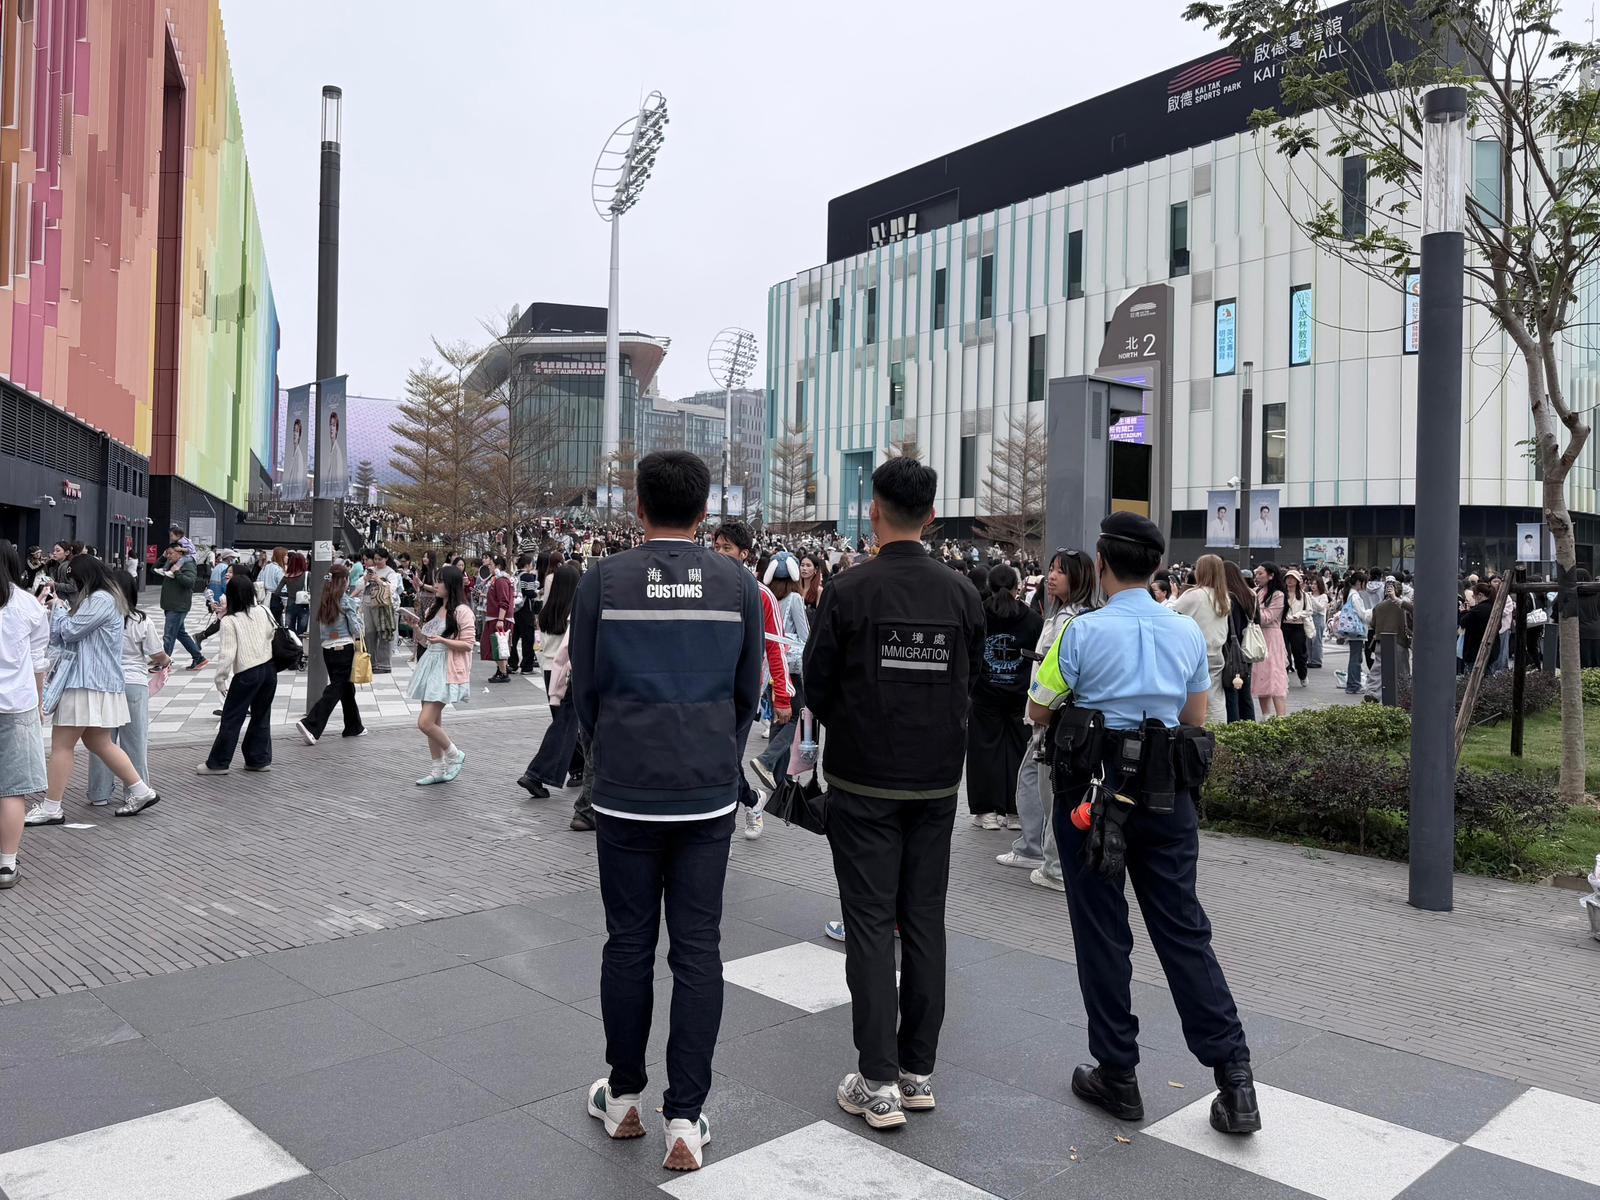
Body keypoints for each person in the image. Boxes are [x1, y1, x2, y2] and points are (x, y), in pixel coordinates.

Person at [1025, 512, 1260, 1136]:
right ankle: (1235, 1080)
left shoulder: (1079, 633)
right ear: (1157, 568)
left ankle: (1119, 1075)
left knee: (1103, 931)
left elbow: (1038, 710)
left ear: (1101, 565)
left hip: (1091, 795)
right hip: (1166, 793)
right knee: (1183, 929)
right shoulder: (1184, 633)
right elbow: (1195, 716)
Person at [569, 451, 763, 1172]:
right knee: (698, 950)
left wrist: (612, 748)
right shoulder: (738, 583)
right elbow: (749, 694)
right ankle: (685, 1117)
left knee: (627, 943)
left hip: (625, 795)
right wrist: (716, 749)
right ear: (705, 511)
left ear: (638, 507)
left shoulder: (605, 581)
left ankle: (623, 1099)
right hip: (706, 797)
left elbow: (583, 691)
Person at [803, 456, 984, 1130]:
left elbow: (816, 688)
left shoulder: (850, 593)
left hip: (862, 781)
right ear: (932, 516)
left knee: (872, 925)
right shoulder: (962, 594)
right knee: (925, 919)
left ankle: (876, 1079)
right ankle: (916, 1072)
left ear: (873, 511)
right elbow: (969, 677)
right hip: (938, 781)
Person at [31, 556, 162, 825]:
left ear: (84, 578)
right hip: (98, 683)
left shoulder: (99, 600)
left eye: (75, 579)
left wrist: (57, 608)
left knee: (62, 745)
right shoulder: (108, 598)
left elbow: (69, 631)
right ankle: (140, 790)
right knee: (98, 742)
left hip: (85, 681)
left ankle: (52, 806)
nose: (73, 585)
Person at [966, 564, 1043, 832]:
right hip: (1020, 695)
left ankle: (986, 811)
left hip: (984, 694)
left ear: (989, 585)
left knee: (983, 751)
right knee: (1019, 753)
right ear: (1017, 586)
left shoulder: (977, 614)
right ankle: (1015, 811)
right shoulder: (1033, 619)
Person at [745, 553, 811, 833]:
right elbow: (806, 636)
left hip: (772, 670)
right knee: (796, 717)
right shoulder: (795, 600)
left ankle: (779, 781)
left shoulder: (767, 599)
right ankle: (767, 760)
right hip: (791, 670)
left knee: (780, 721)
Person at [88, 574, 168, 807]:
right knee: (135, 742)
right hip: (133, 683)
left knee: (102, 741)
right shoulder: (141, 620)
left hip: (103, 683)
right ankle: (135, 792)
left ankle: (98, 793)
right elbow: (157, 654)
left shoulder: (97, 619)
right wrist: (165, 661)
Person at [0, 540, 49, 888]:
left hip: (17, 703)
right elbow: (38, 661)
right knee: (12, 789)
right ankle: (6, 863)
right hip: (17, 704)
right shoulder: (28, 605)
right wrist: (41, 699)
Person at [199, 573, 277, 774]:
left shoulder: (229, 621)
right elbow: (272, 635)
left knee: (232, 718)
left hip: (247, 673)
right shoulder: (264, 611)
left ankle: (218, 763)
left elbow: (227, 655)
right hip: (269, 670)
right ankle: (258, 760)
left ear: (231, 595)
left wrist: (220, 679)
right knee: (261, 716)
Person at [517, 564, 583, 803]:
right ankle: (536, 773)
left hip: (548, 671)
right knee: (565, 723)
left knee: (562, 722)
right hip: (566, 673)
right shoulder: (573, 611)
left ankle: (579, 767)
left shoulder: (546, 610)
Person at [406, 565, 474, 784]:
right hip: (430, 666)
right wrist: (415, 628)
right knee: (434, 722)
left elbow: (468, 645)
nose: (435, 585)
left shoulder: (462, 611)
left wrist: (443, 640)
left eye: (440, 581)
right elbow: (426, 640)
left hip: (447, 668)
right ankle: (438, 769)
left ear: (451, 584)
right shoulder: (433, 609)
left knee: (425, 722)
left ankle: (456, 755)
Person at [296, 563, 366, 745]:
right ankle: (311, 725)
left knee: (346, 688)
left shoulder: (325, 599)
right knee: (336, 688)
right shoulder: (345, 601)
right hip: (344, 647)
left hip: (328, 648)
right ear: (344, 580)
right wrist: (360, 622)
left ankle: (354, 726)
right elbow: (356, 629)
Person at [1173, 554, 1230, 722]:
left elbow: (1171, 614)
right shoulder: (1224, 596)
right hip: (1217, 652)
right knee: (1216, 698)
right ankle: (1219, 733)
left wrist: (1174, 595)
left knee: (1193, 696)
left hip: (1194, 654)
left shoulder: (1194, 595)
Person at [156, 543, 207, 670]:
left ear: (180, 553)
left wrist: (177, 572)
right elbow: (154, 570)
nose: (168, 556)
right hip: (170, 605)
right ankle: (199, 658)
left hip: (178, 605)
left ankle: (164, 663)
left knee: (168, 635)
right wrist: (162, 558)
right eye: (167, 553)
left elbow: (190, 582)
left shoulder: (187, 564)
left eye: (171, 553)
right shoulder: (169, 563)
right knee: (180, 633)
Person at [1251, 563, 1289, 719]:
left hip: (1271, 637)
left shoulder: (1278, 595)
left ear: (1271, 575)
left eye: (1260, 574)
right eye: (1256, 574)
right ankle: (1266, 716)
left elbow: (1267, 618)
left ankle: (1281, 717)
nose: (1257, 577)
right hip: (1259, 636)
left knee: (1274, 675)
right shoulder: (1258, 592)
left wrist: (1252, 608)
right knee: (1261, 674)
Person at [1221, 562, 1258, 722]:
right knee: (1245, 692)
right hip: (1247, 647)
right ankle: (1250, 727)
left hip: (1231, 649)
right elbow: (1258, 620)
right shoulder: (1250, 594)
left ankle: (1235, 727)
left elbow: (1229, 628)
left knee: (1231, 690)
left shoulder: (1229, 597)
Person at [361, 549, 400, 675]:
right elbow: (359, 585)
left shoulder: (391, 572)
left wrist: (378, 580)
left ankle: (384, 664)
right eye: (376, 559)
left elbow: (392, 589)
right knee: (369, 633)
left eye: (380, 559)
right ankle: (371, 663)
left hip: (383, 606)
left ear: (386, 559)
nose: (377, 562)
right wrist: (366, 578)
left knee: (384, 632)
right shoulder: (370, 570)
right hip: (368, 603)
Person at [1333, 571, 1372, 693]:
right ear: (1359, 582)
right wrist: (1373, 611)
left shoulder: (1349, 594)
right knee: (1356, 659)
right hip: (1357, 632)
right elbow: (1363, 615)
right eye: (1364, 582)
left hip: (1353, 631)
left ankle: (1353, 684)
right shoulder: (1355, 596)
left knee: (1355, 658)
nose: (1365, 585)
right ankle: (1353, 685)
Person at [483, 555, 516, 683]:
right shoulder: (498, 579)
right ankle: (501, 669)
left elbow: (504, 601)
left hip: (499, 617)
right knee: (498, 645)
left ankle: (503, 672)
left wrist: (501, 620)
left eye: (490, 564)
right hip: (496, 617)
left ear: (497, 566)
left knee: (498, 644)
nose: (488, 567)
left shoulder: (501, 580)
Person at [509, 553, 542, 675]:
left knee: (514, 637)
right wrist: (538, 593)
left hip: (514, 610)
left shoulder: (514, 575)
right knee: (528, 638)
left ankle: (512, 663)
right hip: (525, 609)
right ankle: (527, 666)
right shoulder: (527, 576)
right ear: (528, 565)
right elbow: (530, 593)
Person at [1280, 569, 1311, 687]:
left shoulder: (1303, 595)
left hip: (1298, 626)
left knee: (1299, 652)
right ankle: (1284, 676)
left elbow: (1309, 611)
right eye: (1288, 578)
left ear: (1298, 581)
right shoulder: (1281, 594)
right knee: (1284, 653)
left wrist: (1297, 615)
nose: (1290, 580)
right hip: (1284, 626)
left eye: (1292, 578)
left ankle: (1302, 675)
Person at [1305, 574, 1330, 669]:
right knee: (1308, 640)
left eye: (1315, 584)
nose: (1313, 586)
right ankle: (1309, 659)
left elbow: (1320, 608)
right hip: (1309, 618)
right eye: (1312, 584)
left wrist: (1311, 599)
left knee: (1317, 640)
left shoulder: (1323, 596)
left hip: (1318, 618)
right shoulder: (1308, 595)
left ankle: (1317, 660)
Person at [261, 548, 288, 625]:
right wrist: (285, 602)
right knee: (277, 623)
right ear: (281, 556)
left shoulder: (265, 567)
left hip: (264, 596)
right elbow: (282, 587)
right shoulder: (279, 569)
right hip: (275, 598)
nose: (287, 557)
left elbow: (258, 581)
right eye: (286, 555)